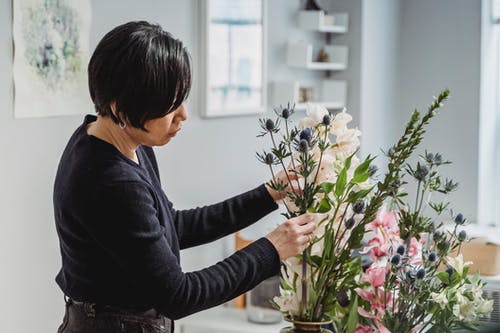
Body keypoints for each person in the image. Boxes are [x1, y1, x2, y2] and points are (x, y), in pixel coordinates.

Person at [53, 21, 316, 333]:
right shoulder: (112, 182)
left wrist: (267, 194)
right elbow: (178, 295)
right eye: (169, 105)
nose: (183, 115)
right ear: (122, 109)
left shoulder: (115, 139)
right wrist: (272, 249)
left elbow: (169, 226)